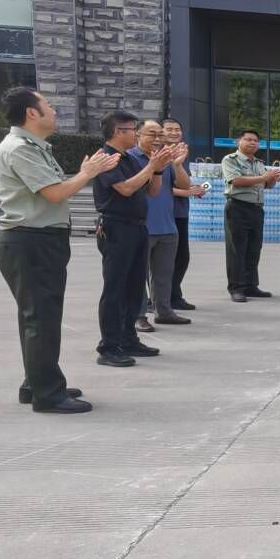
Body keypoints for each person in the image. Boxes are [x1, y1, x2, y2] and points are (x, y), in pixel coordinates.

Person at [0, 87, 120, 413]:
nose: (53, 110)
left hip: (36, 240)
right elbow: (55, 194)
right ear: (31, 113)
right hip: (31, 241)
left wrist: (87, 172)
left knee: (37, 317)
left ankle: (36, 383)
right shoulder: (19, 149)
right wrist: (88, 173)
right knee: (42, 319)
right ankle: (48, 394)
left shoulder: (33, 147)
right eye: (47, 105)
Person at [93, 111, 176, 367]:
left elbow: (152, 191)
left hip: (138, 227)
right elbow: (126, 189)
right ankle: (109, 346)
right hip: (117, 228)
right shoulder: (106, 158)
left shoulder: (129, 158)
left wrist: (157, 170)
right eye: (132, 130)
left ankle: (128, 339)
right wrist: (151, 166)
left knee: (134, 287)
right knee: (115, 288)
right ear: (118, 131)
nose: (136, 134)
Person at [133, 121, 190, 329]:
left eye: (160, 135)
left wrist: (177, 164)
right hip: (141, 226)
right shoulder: (130, 158)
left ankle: (164, 311)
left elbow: (184, 185)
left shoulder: (166, 158)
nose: (157, 139)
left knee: (164, 274)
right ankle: (138, 315)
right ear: (138, 134)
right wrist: (153, 166)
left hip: (167, 225)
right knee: (137, 275)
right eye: (152, 134)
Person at [222, 129, 280, 303]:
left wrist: (273, 178)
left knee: (254, 249)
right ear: (239, 142)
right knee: (237, 250)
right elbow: (236, 180)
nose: (252, 143)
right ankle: (236, 288)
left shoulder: (259, 163)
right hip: (238, 207)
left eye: (255, 141)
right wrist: (263, 177)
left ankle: (250, 285)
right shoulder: (230, 160)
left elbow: (267, 185)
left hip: (256, 209)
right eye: (248, 139)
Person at [162, 117, 203, 311]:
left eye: (177, 129)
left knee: (181, 257)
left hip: (180, 212)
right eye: (169, 129)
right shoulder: (157, 154)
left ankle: (173, 295)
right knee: (162, 259)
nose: (174, 133)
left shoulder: (180, 152)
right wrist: (186, 192)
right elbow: (157, 186)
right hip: (164, 213)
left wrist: (193, 188)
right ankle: (158, 298)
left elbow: (181, 182)